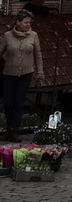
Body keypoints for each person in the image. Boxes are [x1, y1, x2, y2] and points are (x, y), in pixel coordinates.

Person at [0, 10, 44, 140]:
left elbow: (38, 55)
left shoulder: (34, 36)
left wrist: (40, 72)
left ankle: (15, 130)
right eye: (25, 22)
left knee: (19, 103)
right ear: (18, 22)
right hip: (9, 73)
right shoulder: (7, 36)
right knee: (8, 103)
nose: (28, 25)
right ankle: (8, 129)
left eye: (30, 22)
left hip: (26, 73)